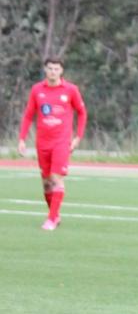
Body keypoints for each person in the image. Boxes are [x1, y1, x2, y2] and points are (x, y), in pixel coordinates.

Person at [17, 56, 88, 231]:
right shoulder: (36, 90)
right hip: (42, 143)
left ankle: (51, 219)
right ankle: (55, 215)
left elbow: (82, 112)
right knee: (46, 183)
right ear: (45, 69)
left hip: (61, 142)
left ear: (61, 71)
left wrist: (77, 137)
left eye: (56, 69)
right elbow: (28, 115)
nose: (53, 72)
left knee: (56, 178)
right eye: (50, 68)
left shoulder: (71, 90)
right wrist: (22, 139)